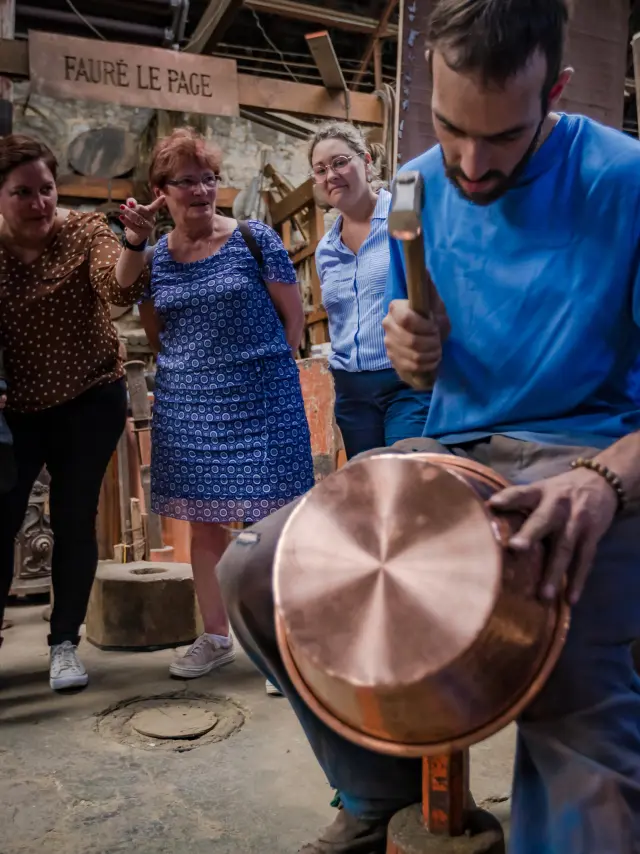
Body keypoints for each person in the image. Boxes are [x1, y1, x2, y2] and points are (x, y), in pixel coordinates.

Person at [216, 1, 640, 852]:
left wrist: (604, 485)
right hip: (451, 452)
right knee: (260, 572)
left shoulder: (623, 179)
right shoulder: (415, 185)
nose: (471, 167)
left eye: (503, 137)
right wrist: (417, 352)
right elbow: (429, 360)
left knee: (569, 705)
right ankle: (377, 789)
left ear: (555, 92)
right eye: (451, 131)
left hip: (586, 461)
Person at [137, 128, 314, 684]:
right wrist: (198, 376)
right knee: (206, 527)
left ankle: (274, 644)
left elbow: (294, 317)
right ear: (161, 191)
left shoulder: (254, 237)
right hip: (191, 406)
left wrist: (265, 372)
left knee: (269, 524)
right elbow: (156, 332)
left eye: (209, 178)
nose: (201, 190)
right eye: (186, 181)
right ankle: (215, 637)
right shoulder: (154, 260)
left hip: (263, 398)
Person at [0, 133, 161, 691]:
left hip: (90, 395)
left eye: (46, 189)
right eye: (23, 193)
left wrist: (135, 244)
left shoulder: (84, 230)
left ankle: (63, 644)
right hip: (17, 407)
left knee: (74, 519)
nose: (39, 203)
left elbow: (115, 287)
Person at [311, 123, 430, 459]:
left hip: (404, 382)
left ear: (365, 161)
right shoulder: (326, 249)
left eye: (339, 162)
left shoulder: (403, 217)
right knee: (367, 491)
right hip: (352, 391)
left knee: (404, 477)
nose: (331, 175)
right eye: (321, 170)